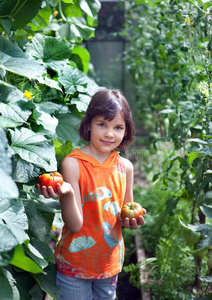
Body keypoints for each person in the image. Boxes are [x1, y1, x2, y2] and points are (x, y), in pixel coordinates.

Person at [37, 89, 146, 300]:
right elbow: (75, 225)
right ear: (89, 124)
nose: (109, 134)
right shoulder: (73, 164)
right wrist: (66, 194)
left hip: (109, 263)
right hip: (75, 264)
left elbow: (124, 215)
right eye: (102, 124)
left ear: (126, 131)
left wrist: (131, 219)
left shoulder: (125, 167)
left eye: (118, 127)